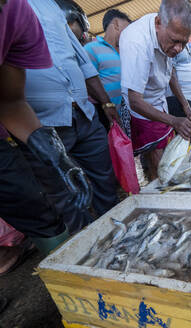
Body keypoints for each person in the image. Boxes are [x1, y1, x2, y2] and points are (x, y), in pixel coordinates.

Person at [0, 0, 91, 256]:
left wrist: (57, 156)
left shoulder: (17, 13)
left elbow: (11, 101)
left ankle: (72, 281)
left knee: (39, 210)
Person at [20, 0, 120, 234]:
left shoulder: (51, 6)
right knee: (67, 198)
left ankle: (118, 235)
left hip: (84, 113)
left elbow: (82, 62)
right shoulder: (8, 8)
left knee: (104, 182)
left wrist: (105, 102)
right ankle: (88, 250)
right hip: (41, 124)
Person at [119, 0, 191, 180]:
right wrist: (174, 121)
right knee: (159, 164)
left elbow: (170, 74)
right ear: (158, 23)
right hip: (141, 107)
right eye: (174, 41)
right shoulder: (137, 42)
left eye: (184, 43)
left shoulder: (169, 36)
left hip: (159, 102)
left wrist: (185, 106)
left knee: (168, 158)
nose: (178, 48)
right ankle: (158, 194)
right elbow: (135, 101)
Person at [85, 9, 132, 131]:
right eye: (127, 29)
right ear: (116, 24)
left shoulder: (126, 51)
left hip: (122, 119)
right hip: (102, 116)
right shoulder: (91, 48)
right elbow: (87, 82)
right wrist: (106, 104)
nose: (129, 34)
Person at [166, 45, 191, 121]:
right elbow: (171, 75)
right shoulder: (174, 47)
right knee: (185, 131)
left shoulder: (190, 49)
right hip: (182, 100)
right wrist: (185, 105)